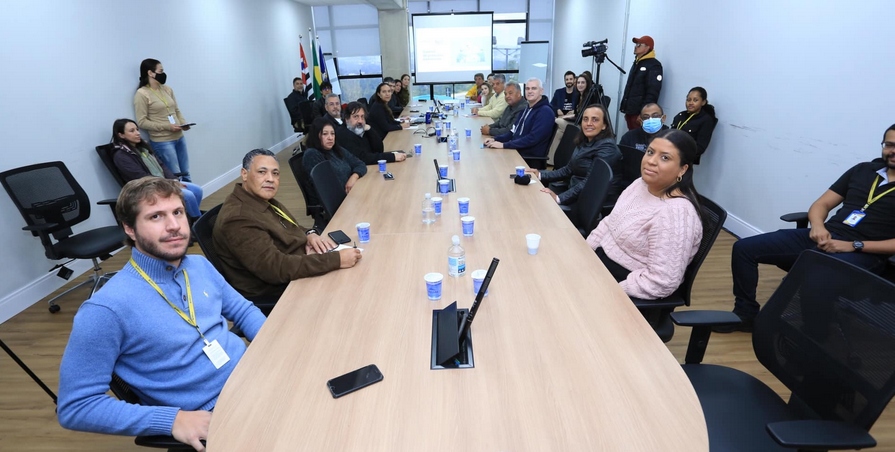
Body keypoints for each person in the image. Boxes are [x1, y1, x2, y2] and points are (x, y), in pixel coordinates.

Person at [57, 177, 266, 451]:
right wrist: (172, 420)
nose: (174, 225)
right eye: (156, 216)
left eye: (177, 212)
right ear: (129, 229)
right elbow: (76, 406)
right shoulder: (105, 310)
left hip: (256, 375)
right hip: (218, 413)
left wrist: (273, 347)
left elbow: (243, 310)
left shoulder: (199, 266)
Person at [718, 125, 895, 333]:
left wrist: (853, 245)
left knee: (815, 279)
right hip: (826, 236)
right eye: (889, 145)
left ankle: (813, 336)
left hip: (863, 252)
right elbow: (822, 204)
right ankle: (745, 314)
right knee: (744, 249)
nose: (893, 151)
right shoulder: (863, 170)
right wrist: (818, 226)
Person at [214, 148, 362, 302]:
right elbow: (275, 268)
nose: (270, 179)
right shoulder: (239, 219)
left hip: (297, 264)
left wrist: (309, 233)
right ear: (244, 174)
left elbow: (290, 226)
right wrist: (336, 260)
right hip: (280, 290)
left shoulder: (259, 199)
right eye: (262, 172)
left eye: (275, 173)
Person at [586, 129, 703, 300]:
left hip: (622, 287)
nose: (651, 161)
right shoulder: (640, 184)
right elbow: (609, 223)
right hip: (598, 265)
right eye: (650, 152)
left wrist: (610, 290)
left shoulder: (676, 213)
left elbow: (661, 282)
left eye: (665, 158)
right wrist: (585, 253)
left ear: (682, 169)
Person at [526, 104, 621, 206]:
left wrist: (559, 198)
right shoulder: (584, 141)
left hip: (593, 202)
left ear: (604, 125)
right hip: (576, 192)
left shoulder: (607, 148)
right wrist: (540, 174)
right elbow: (568, 169)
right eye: (585, 119)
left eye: (595, 120)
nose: (589, 123)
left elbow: (591, 181)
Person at [110, 118, 204, 219]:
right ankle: (196, 221)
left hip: (163, 182)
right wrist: (170, 184)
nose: (138, 133)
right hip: (146, 188)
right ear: (121, 135)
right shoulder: (121, 156)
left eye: (137, 129)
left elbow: (161, 165)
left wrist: (174, 180)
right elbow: (141, 177)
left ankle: (188, 218)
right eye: (132, 131)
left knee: (197, 190)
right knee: (188, 195)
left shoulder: (143, 148)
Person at [134, 58, 193, 182]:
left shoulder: (167, 89)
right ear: (150, 73)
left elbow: (176, 110)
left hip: (179, 137)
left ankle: (192, 195)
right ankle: (180, 196)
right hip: (163, 141)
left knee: (186, 172)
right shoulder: (142, 94)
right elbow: (142, 122)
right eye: (160, 71)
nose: (163, 74)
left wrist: (183, 123)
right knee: (175, 176)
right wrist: (168, 126)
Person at [484, 78, 555, 166]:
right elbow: (512, 132)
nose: (530, 91)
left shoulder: (545, 112)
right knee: (488, 158)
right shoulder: (526, 109)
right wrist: (495, 139)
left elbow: (532, 139)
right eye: (527, 88)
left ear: (541, 91)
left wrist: (504, 145)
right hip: (516, 151)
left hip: (528, 159)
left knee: (492, 163)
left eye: (534, 88)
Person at [303, 117, 368, 195]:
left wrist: (354, 177)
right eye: (325, 134)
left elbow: (360, 164)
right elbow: (329, 186)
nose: (330, 138)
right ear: (316, 136)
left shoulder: (336, 149)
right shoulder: (312, 154)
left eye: (332, 134)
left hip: (351, 192)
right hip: (338, 200)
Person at [336, 101, 406, 165]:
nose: (360, 121)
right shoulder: (343, 134)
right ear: (346, 118)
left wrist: (370, 130)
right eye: (356, 117)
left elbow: (379, 149)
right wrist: (392, 157)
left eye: (362, 117)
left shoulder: (360, 130)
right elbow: (363, 158)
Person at [620, 36, 663, 131]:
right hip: (631, 111)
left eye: (639, 45)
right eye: (636, 44)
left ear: (648, 47)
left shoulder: (654, 65)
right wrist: (626, 109)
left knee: (640, 137)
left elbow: (653, 91)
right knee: (632, 135)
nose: (636, 46)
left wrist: (644, 113)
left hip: (640, 113)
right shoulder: (637, 63)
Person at [548, 75, 594, 162]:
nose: (580, 85)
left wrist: (566, 117)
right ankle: (551, 161)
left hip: (581, 125)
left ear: (587, 84)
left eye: (583, 83)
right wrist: (567, 116)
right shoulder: (578, 96)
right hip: (575, 121)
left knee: (557, 121)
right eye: (578, 83)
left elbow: (583, 116)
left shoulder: (589, 97)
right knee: (558, 132)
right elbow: (577, 114)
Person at [670, 87, 718, 164]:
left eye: (695, 100)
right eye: (688, 100)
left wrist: (679, 152)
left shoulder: (706, 120)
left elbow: (700, 147)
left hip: (686, 160)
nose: (691, 103)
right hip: (670, 154)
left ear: (703, 102)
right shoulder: (680, 115)